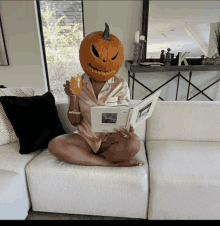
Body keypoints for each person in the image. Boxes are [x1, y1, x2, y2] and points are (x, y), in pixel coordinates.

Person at [48, 72, 141, 167]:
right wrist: (73, 97)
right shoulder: (77, 82)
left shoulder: (120, 83)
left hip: (111, 140)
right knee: (55, 144)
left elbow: (125, 114)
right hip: (85, 139)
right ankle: (109, 164)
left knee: (134, 143)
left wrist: (127, 131)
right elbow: (74, 122)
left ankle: (86, 159)